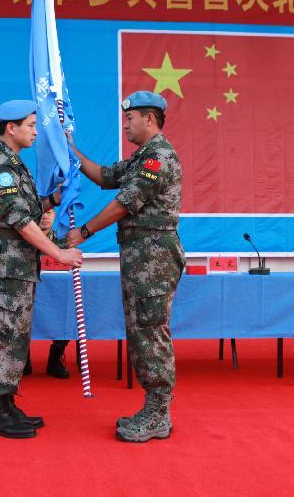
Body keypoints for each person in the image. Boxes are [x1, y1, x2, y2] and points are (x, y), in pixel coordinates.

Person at [65, 90, 185, 443]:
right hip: (140, 256)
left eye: (130, 118)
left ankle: (159, 413)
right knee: (141, 331)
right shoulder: (141, 158)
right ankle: (153, 408)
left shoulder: (158, 158)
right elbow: (104, 176)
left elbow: (124, 203)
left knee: (151, 331)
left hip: (155, 257)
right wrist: (70, 151)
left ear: (150, 119)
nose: (126, 124)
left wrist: (83, 232)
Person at [0, 99, 83, 439]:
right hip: (6, 264)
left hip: (18, 266)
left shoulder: (15, 165)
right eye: (31, 125)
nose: (37, 131)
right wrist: (59, 254)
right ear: (11, 127)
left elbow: (30, 208)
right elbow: (21, 221)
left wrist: (52, 202)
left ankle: (6, 404)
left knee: (15, 338)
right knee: (2, 339)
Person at [22, 209, 73, 379]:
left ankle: (55, 358)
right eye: (41, 213)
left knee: (67, 315)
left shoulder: (62, 241)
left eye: (49, 213)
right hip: (27, 291)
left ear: (54, 216)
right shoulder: (22, 239)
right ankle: (23, 359)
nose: (44, 216)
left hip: (55, 295)